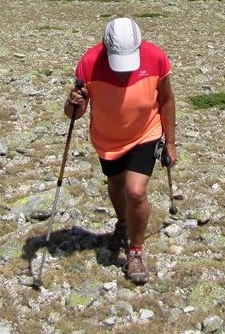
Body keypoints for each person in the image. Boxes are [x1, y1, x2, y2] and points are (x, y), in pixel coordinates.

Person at [64, 17, 177, 284]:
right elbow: (74, 114)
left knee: (135, 190)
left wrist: (170, 143)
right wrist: (73, 103)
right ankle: (123, 224)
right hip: (106, 138)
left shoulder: (155, 58)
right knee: (115, 185)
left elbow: (166, 99)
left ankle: (135, 250)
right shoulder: (89, 62)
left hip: (145, 132)